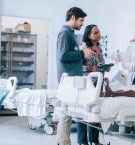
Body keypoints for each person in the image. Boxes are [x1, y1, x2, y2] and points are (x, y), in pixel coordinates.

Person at [56, 7, 92, 145]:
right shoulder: (65, 33)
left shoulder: (70, 33)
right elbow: (63, 56)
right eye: (81, 20)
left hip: (72, 79)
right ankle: (64, 143)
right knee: (66, 114)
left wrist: (83, 63)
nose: (82, 23)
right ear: (72, 18)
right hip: (69, 80)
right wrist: (82, 53)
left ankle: (61, 142)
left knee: (66, 114)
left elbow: (71, 56)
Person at [78, 24, 103, 145]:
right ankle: (82, 141)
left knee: (94, 111)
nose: (98, 34)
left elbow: (100, 63)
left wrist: (104, 68)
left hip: (97, 83)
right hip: (86, 84)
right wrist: (88, 68)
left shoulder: (99, 48)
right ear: (88, 35)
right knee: (83, 112)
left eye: (99, 32)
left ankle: (94, 140)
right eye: (95, 32)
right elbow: (78, 65)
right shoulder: (83, 47)